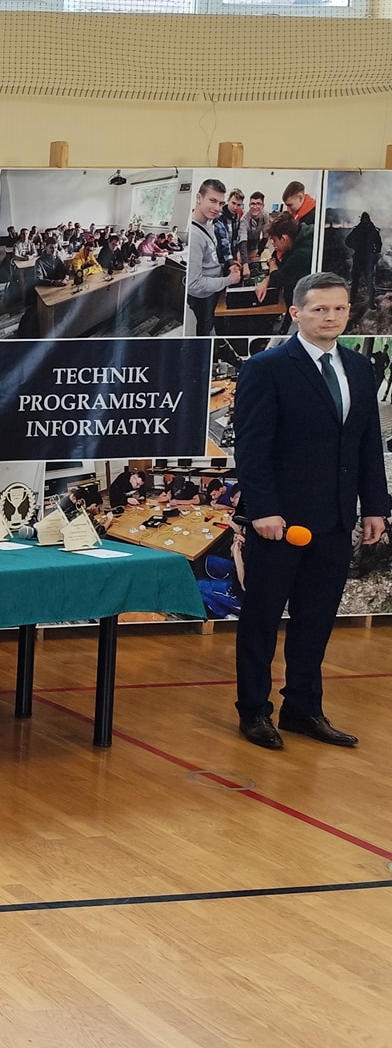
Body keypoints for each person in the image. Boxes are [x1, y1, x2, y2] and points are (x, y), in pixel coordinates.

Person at [231, 273, 389, 750]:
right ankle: (254, 711)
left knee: (316, 620)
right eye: (320, 309)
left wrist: (375, 507)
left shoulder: (359, 368)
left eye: (340, 308)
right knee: (261, 620)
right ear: (296, 313)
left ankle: (302, 708)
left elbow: (367, 443)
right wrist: (263, 509)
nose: (331, 317)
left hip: (336, 519)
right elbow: (252, 448)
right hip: (278, 522)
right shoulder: (266, 368)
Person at [185, 178, 237, 336]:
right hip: (203, 296)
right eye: (213, 201)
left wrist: (228, 266)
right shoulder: (194, 235)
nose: (217, 208)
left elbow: (212, 257)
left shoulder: (208, 222)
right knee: (205, 327)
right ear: (199, 198)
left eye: (220, 203)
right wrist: (228, 280)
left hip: (213, 288)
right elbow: (194, 284)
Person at [347, 212, 381, 306]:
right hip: (361, 258)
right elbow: (348, 241)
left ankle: (370, 302)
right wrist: (357, 247)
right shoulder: (359, 230)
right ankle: (353, 301)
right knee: (356, 280)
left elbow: (379, 244)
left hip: (367, 259)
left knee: (368, 281)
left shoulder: (372, 230)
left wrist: (375, 253)